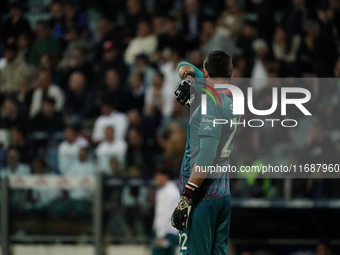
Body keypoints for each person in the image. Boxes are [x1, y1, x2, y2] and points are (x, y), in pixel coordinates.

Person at [171, 50, 239, 255]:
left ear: (206, 72)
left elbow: (207, 156)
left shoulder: (211, 104)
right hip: (222, 193)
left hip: (201, 195)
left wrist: (186, 196)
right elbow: (184, 65)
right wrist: (189, 79)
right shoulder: (232, 97)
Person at [152, 169, 179, 255]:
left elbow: (166, 215)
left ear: (165, 177)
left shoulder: (168, 192)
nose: (155, 179)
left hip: (166, 232)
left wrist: (160, 235)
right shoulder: (169, 190)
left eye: (158, 176)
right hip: (170, 231)